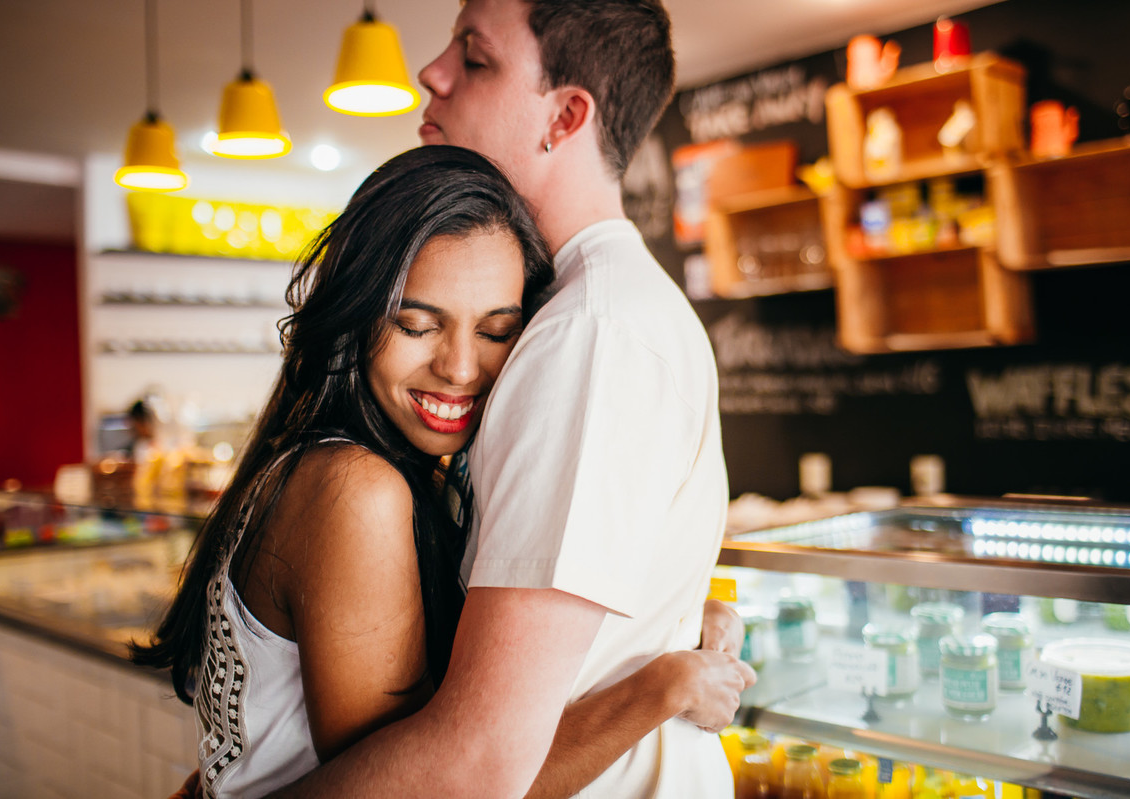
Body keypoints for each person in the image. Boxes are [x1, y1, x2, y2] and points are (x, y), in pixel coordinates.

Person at [135, 146, 752, 799]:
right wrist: (662, 685)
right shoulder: (357, 490)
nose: (460, 366)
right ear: (356, 314)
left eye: (496, 330)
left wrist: (670, 618)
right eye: (418, 324)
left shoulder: (339, 465)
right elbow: (439, 785)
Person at [271, 1, 742, 797]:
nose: (432, 72)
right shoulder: (590, 314)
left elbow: (478, 762)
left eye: (475, 57)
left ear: (565, 115)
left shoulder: (590, 334)